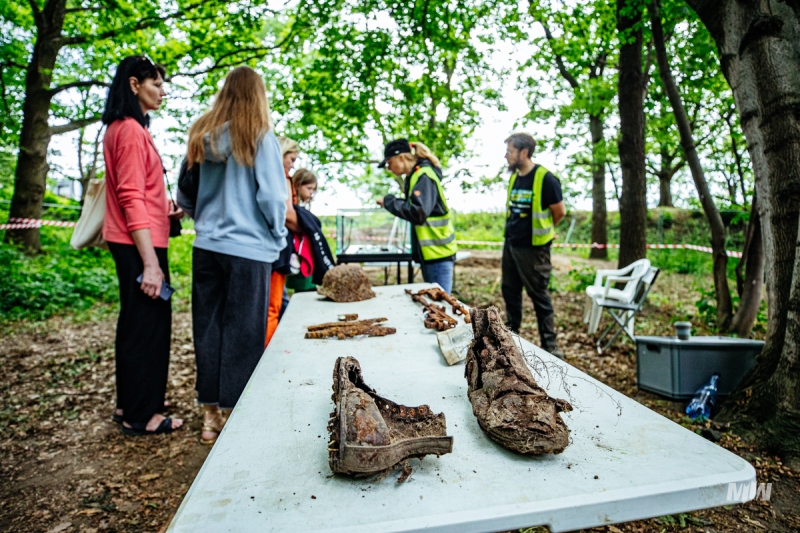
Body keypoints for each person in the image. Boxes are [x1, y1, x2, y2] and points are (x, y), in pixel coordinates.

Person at [178, 66, 287, 444]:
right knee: (244, 331)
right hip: (250, 249)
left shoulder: (200, 135)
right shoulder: (259, 136)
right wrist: (278, 234)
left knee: (208, 328)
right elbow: (273, 196)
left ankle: (210, 415)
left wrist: (204, 218)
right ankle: (235, 416)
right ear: (258, 94)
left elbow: (184, 192)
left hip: (207, 246)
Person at [101, 55, 184, 436]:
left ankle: (130, 403)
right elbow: (131, 197)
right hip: (140, 245)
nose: (162, 91)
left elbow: (138, 192)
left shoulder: (124, 128)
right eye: (155, 84)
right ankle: (142, 415)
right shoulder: (130, 131)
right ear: (134, 85)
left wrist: (166, 209)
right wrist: (150, 264)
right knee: (148, 328)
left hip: (138, 239)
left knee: (136, 325)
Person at [501, 133, 566, 358]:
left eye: (510, 151)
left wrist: (547, 231)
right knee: (510, 292)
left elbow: (559, 212)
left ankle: (551, 347)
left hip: (534, 249)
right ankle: (509, 339)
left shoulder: (546, 179)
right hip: (511, 245)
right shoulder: (514, 177)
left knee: (539, 296)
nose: (506, 156)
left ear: (524, 152)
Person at [376, 139, 457, 294]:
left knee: (441, 305)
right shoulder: (414, 176)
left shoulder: (423, 175)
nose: (388, 168)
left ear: (401, 158)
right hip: (431, 255)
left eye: (389, 162)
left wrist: (389, 202)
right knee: (436, 304)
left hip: (438, 255)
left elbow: (418, 212)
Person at [267, 137, 301, 337]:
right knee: (273, 306)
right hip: (278, 248)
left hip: (269, 248)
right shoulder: (281, 176)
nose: (292, 164)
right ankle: (268, 353)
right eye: (291, 158)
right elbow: (287, 214)